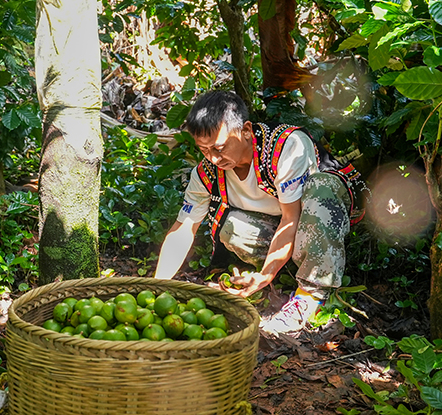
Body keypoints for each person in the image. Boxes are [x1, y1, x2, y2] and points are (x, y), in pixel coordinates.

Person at [154, 90, 364, 335]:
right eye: (204, 150)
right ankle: (292, 269)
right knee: (231, 226)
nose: (213, 158)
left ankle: (311, 294)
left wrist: (265, 275)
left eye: (219, 148)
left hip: (319, 221)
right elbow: (183, 230)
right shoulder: (205, 174)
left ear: (246, 130)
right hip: (284, 231)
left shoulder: (287, 146)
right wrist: (156, 286)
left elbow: (291, 218)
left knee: (321, 188)